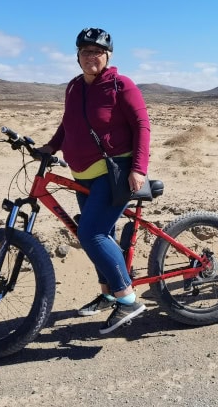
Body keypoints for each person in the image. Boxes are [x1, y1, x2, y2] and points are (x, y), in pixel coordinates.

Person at [39, 27, 151, 334]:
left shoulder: (121, 85)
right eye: (86, 52)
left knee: (92, 233)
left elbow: (142, 125)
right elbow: (70, 123)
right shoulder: (74, 87)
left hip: (113, 172)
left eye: (98, 53)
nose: (92, 57)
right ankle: (107, 293)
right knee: (101, 236)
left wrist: (138, 168)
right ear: (77, 57)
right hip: (82, 174)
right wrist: (52, 145)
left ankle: (127, 300)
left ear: (108, 57)